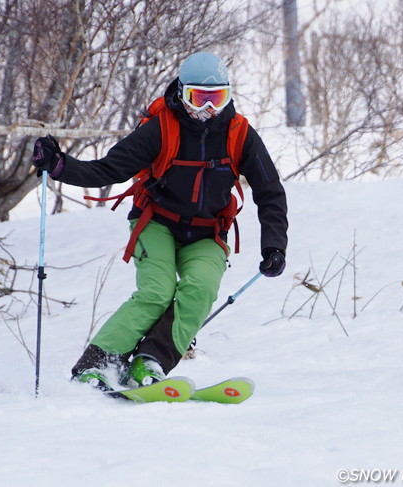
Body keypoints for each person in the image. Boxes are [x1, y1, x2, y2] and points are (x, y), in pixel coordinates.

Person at [31, 52, 288, 391]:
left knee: (201, 289)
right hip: (157, 223)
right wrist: (61, 165)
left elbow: (270, 192)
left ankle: (149, 361)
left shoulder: (240, 134)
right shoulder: (161, 128)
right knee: (157, 290)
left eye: (218, 98)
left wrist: (274, 245)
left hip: (207, 232)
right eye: (200, 98)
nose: (208, 109)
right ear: (182, 93)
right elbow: (110, 169)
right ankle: (97, 363)